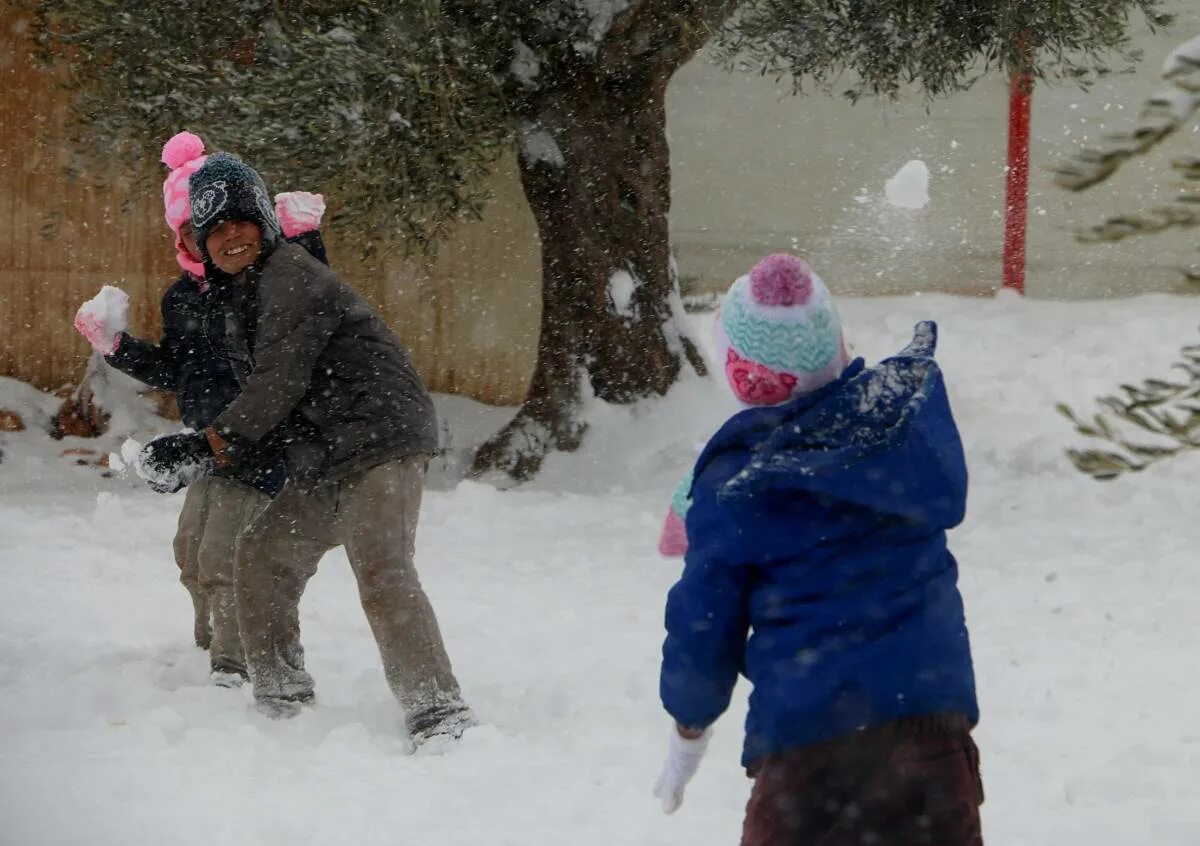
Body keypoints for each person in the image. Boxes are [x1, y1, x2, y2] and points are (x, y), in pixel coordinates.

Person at [136, 150, 473, 743]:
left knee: (382, 569)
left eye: (240, 220)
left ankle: (439, 713)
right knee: (263, 557)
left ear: (264, 223)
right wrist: (212, 447)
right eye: (214, 228)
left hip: (381, 439)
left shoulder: (290, 274)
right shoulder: (237, 299)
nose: (229, 236)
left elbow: (279, 382)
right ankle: (282, 697)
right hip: (322, 455)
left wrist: (204, 446)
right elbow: (269, 403)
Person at [652, 255, 984, 845]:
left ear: (742, 376)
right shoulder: (896, 437)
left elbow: (704, 625)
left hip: (811, 752)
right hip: (934, 738)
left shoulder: (741, 486)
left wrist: (688, 732)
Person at [73, 131, 328, 686]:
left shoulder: (256, 279)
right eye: (189, 229)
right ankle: (209, 640)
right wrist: (116, 346)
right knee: (190, 554)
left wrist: (307, 240)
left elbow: (309, 307)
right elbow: (178, 368)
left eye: (209, 226)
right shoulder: (181, 297)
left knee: (226, 558)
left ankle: (233, 665)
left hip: (262, 438)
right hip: (207, 440)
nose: (201, 238)